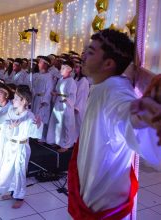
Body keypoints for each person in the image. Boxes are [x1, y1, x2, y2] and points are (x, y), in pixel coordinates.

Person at [68, 29, 161, 220]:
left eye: (91, 52)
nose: (83, 55)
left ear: (109, 63)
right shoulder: (100, 86)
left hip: (105, 210)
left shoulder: (115, 92)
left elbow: (125, 114)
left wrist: (142, 116)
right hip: (91, 199)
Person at [0, 85, 43, 209]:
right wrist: (10, 127)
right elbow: (3, 124)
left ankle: (20, 196)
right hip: (10, 145)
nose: (13, 100)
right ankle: (12, 192)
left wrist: (37, 125)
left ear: (24, 101)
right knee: (9, 170)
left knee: (19, 171)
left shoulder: (29, 116)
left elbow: (34, 134)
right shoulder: (11, 112)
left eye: (16, 98)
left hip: (21, 147)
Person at [46, 59, 77, 152]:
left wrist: (67, 99)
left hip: (66, 105)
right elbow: (58, 90)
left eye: (63, 68)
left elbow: (73, 95)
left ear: (69, 70)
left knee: (66, 124)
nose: (61, 70)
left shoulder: (71, 81)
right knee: (57, 123)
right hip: (58, 103)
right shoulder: (60, 79)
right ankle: (58, 141)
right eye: (61, 68)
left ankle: (66, 144)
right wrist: (55, 94)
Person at [31, 56, 54, 142]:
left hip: (42, 99)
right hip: (36, 98)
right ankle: (35, 134)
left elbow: (49, 89)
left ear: (45, 65)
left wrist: (45, 100)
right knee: (35, 116)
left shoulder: (49, 76)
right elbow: (33, 86)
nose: (38, 64)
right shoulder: (37, 75)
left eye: (40, 62)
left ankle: (42, 137)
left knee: (41, 117)